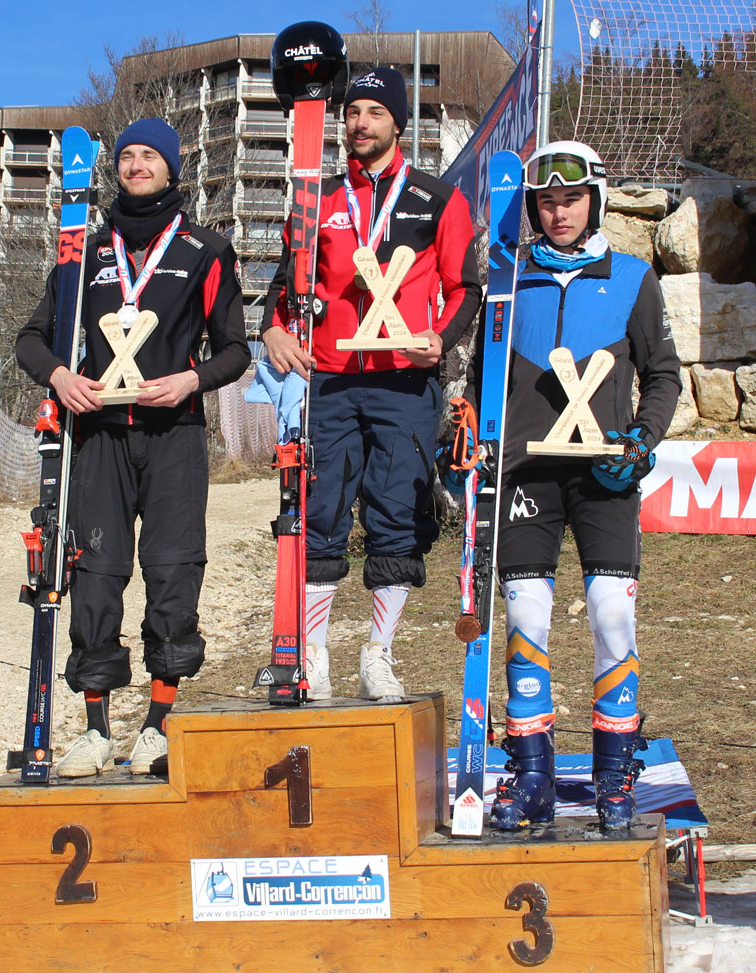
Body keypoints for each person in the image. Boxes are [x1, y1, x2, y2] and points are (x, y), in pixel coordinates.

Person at [15, 118, 248, 778]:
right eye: (127, 157)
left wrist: (190, 379)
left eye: (151, 155)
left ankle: (158, 724)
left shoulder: (205, 249)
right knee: (96, 574)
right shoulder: (80, 254)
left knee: (173, 572)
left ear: (172, 168)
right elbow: (33, 340)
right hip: (100, 439)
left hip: (173, 434)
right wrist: (61, 377)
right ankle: (95, 728)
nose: (137, 165)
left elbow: (236, 348)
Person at [468, 141, 681, 832]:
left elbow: (664, 373)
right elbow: (480, 376)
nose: (559, 213)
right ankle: (530, 773)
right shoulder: (508, 277)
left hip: (603, 475)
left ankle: (613, 774)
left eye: (571, 199)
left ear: (596, 200)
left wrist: (643, 440)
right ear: (532, 206)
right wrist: (464, 423)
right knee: (526, 618)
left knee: (611, 616)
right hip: (525, 474)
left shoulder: (632, 278)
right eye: (546, 201)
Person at [261, 66, 481, 701]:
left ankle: (378, 653)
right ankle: (314, 653)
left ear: (398, 122)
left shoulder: (438, 199)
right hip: (328, 380)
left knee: (398, 515)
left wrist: (443, 336)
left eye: (374, 113)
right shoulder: (318, 200)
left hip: (405, 380)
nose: (359, 123)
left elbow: (466, 285)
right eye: (352, 111)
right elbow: (284, 283)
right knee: (321, 514)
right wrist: (273, 329)